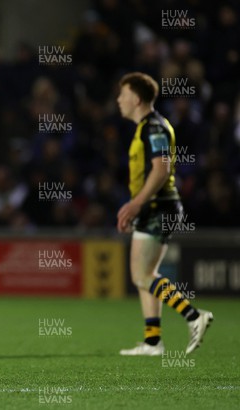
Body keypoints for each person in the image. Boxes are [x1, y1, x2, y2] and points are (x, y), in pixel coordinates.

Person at [116, 72, 213, 356]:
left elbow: (160, 169)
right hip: (153, 206)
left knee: (143, 275)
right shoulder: (146, 127)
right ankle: (153, 341)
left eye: (122, 95)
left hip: (159, 206)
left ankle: (195, 316)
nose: (119, 100)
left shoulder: (154, 127)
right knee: (145, 275)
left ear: (136, 98)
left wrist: (136, 204)